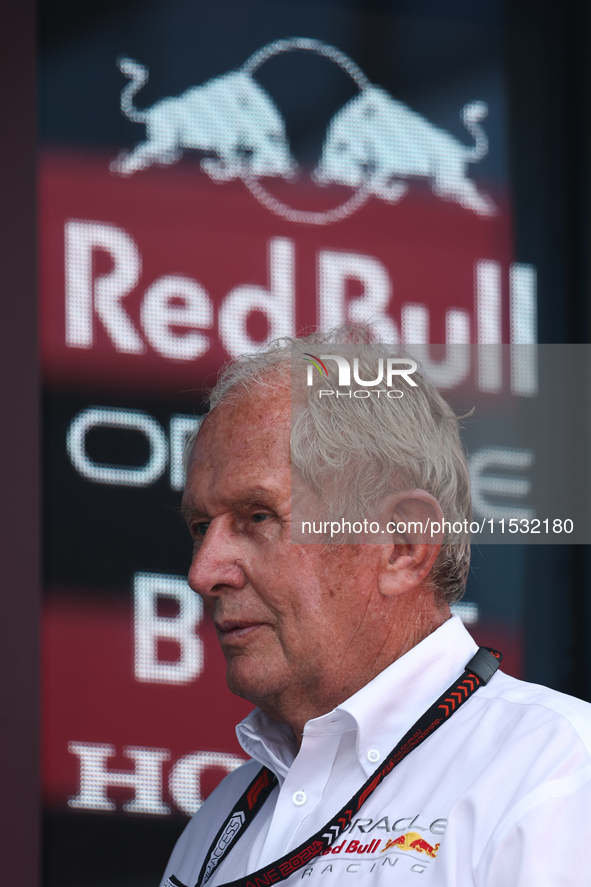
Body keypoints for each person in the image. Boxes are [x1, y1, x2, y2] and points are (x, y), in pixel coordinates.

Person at [161, 327, 591, 887]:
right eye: (200, 527)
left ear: (401, 546)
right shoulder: (217, 824)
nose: (203, 572)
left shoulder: (558, 773)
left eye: (257, 516)